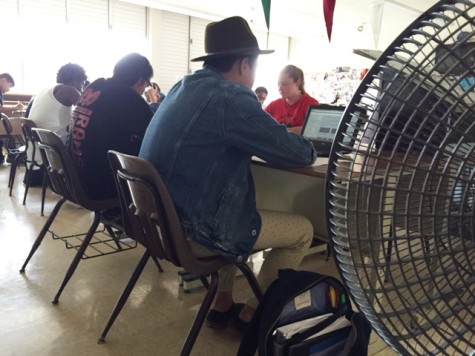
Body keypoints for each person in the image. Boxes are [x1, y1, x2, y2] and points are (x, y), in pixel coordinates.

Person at [140, 16, 315, 331]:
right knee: (302, 230)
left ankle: (222, 303)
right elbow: (297, 153)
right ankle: (253, 315)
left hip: (158, 227)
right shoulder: (230, 97)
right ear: (245, 65)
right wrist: (312, 144)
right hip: (196, 233)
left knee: (239, 207)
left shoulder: (183, 86)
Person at [67, 52, 154, 201]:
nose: (144, 90)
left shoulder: (96, 85)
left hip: (76, 176)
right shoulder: (127, 97)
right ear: (140, 79)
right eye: (146, 84)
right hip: (102, 185)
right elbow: (155, 134)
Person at [28, 63, 87, 142]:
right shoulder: (69, 90)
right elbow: (88, 110)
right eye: (82, 84)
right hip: (52, 147)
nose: (82, 90)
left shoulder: (46, 90)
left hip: (36, 148)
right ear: (75, 81)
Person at [265, 64, 319, 133]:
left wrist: (279, 131)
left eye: (284, 84)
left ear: (297, 83)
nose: (280, 88)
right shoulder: (274, 105)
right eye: (278, 84)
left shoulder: (311, 104)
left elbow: (313, 130)